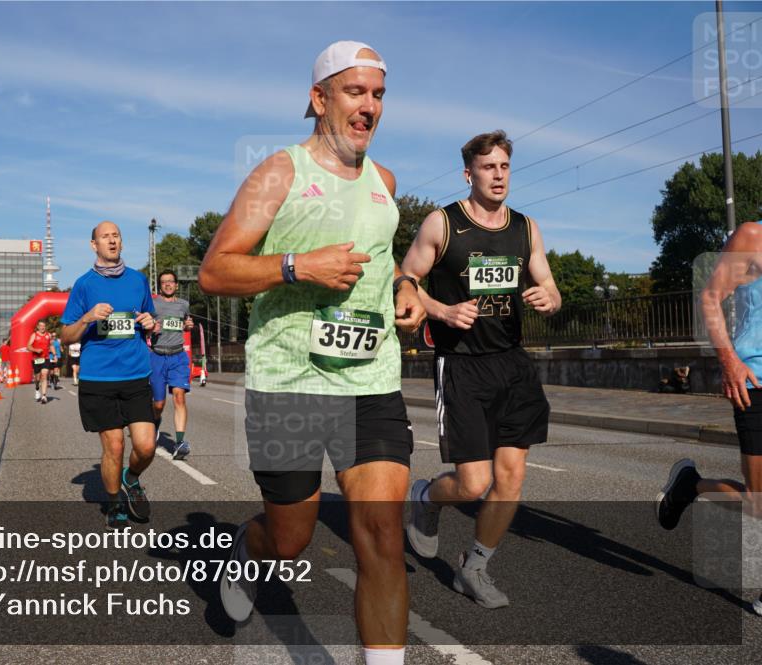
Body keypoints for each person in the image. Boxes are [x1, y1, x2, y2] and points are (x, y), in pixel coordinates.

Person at [198, 41, 425, 664]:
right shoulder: (280, 171)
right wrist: (299, 267)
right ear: (319, 98)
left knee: (380, 532)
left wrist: (406, 287)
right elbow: (215, 272)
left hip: (369, 378)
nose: (370, 106)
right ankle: (247, 556)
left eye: (378, 94)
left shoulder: (385, 182)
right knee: (291, 537)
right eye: (356, 92)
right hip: (289, 379)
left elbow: (379, 262)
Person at [401, 130, 560, 609]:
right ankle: (426, 498)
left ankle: (474, 567)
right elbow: (403, 279)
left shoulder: (526, 227)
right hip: (462, 365)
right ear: (468, 173)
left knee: (510, 476)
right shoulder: (442, 224)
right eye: (488, 168)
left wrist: (550, 297)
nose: (498, 176)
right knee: (473, 482)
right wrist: (440, 311)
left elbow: (548, 283)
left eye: (505, 167)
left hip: (512, 363)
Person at [656, 219, 762, 617]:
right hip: (755, 380)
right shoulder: (753, 237)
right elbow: (710, 297)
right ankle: (691, 486)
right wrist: (729, 360)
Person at [61, 221, 158, 529]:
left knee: (146, 446)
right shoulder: (84, 285)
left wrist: (150, 322)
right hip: (99, 378)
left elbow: (150, 318)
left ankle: (131, 479)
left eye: (116, 235)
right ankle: (115, 503)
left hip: (136, 373)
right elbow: (65, 335)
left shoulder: (138, 280)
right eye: (105, 237)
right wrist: (88, 317)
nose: (112, 240)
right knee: (114, 446)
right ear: (94, 245)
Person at [149, 269, 196, 460]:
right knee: (158, 404)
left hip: (178, 356)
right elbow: (144, 326)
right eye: (164, 282)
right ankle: (155, 424)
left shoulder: (183, 305)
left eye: (171, 281)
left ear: (176, 285)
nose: (167, 284)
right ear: (160, 286)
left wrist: (188, 325)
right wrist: (151, 326)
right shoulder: (152, 304)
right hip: (157, 356)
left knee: (179, 397)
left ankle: (179, 442)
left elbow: (186, 322)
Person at [27, 321, 53, 404]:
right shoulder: (34, 335)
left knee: (44, 374)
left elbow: (51, 345)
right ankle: (37, 388)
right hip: (36, 359)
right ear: (38, 327)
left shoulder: (48, 335)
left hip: (45, 358)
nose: (42, 327)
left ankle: (44, 396)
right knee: (37, 378)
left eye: (44, 326)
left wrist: (55, 354)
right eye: (41, 326)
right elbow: (28, 346)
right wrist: (35, 350)